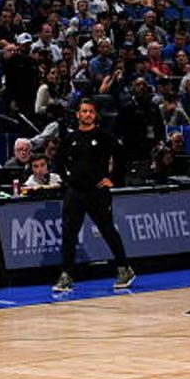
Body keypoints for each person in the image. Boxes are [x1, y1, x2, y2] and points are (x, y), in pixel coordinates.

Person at [52, 98, 135, 293]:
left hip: (98, 192)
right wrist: (67, 179)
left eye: (90, 111)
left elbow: (123, 156)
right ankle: (66, 275)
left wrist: (113, 178)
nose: (87, 114)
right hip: (75, 193)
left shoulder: (104, 136)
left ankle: (124, 268)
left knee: (107, 230)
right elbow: (58, 161)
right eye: (84, 111)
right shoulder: (70, 138)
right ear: (78, 114)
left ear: (95, 115)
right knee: (69, 235)